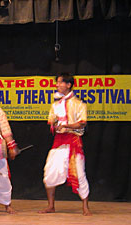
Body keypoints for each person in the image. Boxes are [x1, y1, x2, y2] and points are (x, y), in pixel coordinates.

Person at [38, 73, 92, 216]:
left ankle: (85, 207)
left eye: (60, 82)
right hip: (59, 143)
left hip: (73, 142)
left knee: (79, 174)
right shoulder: (55, 105)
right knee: (49, 173)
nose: (57, 85)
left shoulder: (79, 104)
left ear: (68, 85)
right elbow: (51, 123)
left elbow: (82, 123)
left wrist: (67, 126)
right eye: (57, 83)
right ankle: (51, 206)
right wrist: (55, 126)